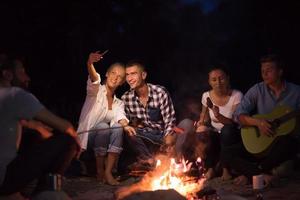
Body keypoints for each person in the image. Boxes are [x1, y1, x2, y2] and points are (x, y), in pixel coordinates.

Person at [0, 61, 79, 199]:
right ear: (7, 74)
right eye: (22, 72)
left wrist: (37, 126)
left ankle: (17, 192)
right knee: (67, 140)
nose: (27, 78)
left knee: (34, 134)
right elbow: (64, 126)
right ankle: (46, 192)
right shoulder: (14, 95)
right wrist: (75, 140)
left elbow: (21, 121)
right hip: (4, 179)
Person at [225, 54, 300, 186]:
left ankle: (252, 173)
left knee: (290, 142)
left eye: (269, 70)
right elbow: (238, 115)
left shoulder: (296, 92)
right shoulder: (258, 89)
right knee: (227, 153)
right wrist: (259, 123)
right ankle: (262, 173)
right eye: (262, 71)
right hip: (261, 143)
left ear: (280, 72)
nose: (264, 74)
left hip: (281, 146)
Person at [120, 60, 194, 169]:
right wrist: (130, 125)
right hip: (148, 137)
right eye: (127, 75)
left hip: (166, 134)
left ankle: (178, 159)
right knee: (129, 131)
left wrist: (168, 137)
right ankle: (150, 162)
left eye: (133, 73)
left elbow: (169, 119)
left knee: (187, 123)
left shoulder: (159, 92)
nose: (129, 78)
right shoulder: (126, 98)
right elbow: (124, 118)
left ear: (143, 75)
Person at [77, 51, 131, 185]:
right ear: (107, 73)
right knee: (103, 127)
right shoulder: (95, 92)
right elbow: (94, 79)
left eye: (119, 77)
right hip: (86, 144)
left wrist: (126, 126)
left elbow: (121, 117)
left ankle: (108, 172)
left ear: (122, 82)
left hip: (103, 148)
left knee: (118, 126)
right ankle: (99, 171)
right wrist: (89, 63)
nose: (115, 78)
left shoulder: (119, 103)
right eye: (113, 73)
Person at [192, 67, 243, 180]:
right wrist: (201, 123)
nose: (218, 83)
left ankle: (226, 169)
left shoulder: (237, 95)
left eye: (221, 79)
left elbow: (232, 122)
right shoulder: (206, 96)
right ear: (209, 82)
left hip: (233, 133)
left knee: (226, 130)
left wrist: (218, 115)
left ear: (228, 79)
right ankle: (209, 168)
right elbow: (203, 116)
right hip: (215, 132)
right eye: (214, 80)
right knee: (201, 131)